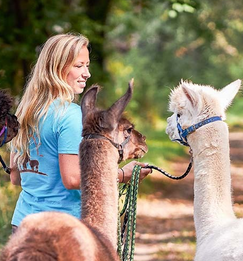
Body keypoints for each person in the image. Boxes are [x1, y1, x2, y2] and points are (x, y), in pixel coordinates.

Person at [9, 32, 150, 232]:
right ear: (57, 69)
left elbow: (16, 177)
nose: (87, 73)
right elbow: (73, 179)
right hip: (62, 227)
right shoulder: (70, 115)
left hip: (22, 223)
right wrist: (122, 174)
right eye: (79, 66)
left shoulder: (25, 113)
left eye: (87, 65)